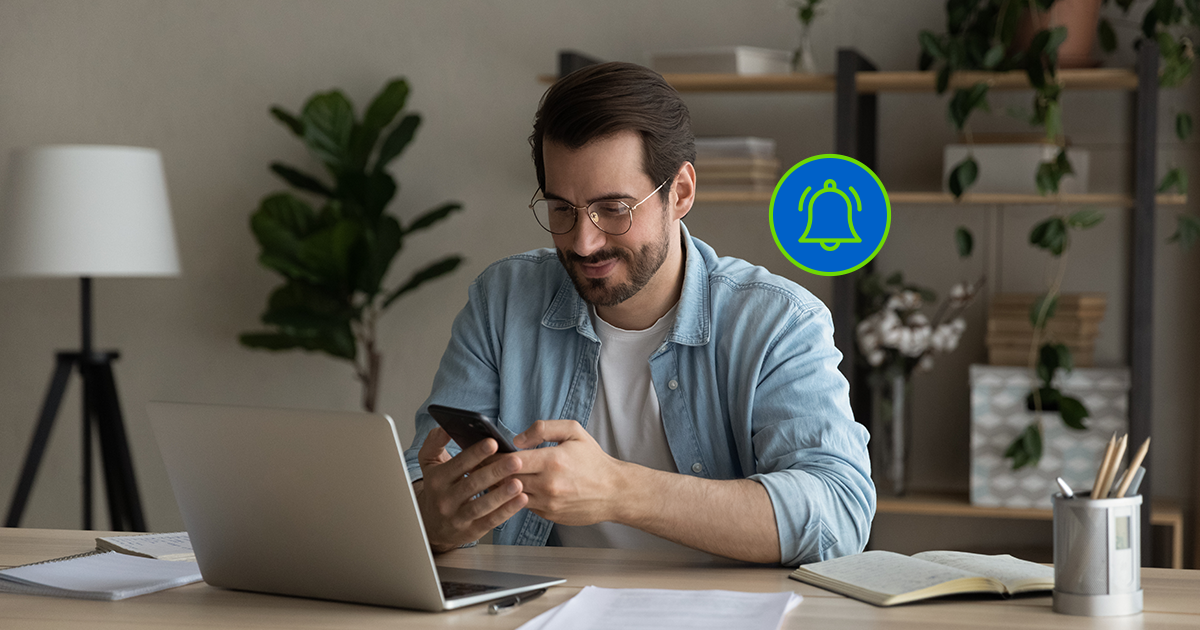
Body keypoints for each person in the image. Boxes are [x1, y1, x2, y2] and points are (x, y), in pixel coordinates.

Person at [403, 61, 874, 566]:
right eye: (562, 209)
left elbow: (838, 515)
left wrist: (619, 491)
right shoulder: (503, 300)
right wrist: (435, 517)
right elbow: (419, 483)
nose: (584, 242)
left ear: (682, 193)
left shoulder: (777, 320)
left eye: (614, 209)